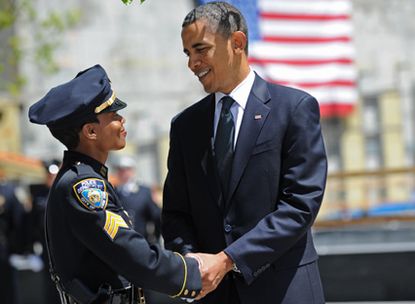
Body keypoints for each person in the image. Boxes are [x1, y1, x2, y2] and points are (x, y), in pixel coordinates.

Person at [161, 2, 328, 304]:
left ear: (237, 43)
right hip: (213, 295)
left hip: (284, 291)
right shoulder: (185, 126)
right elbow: (175, 213)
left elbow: (300, 205)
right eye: (188, 54)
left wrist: (227, 259)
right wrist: (192, 265)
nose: (192, 63)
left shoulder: (293, 109)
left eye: (201, 49)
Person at [28, 64, 206, 304]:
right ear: (91, 131)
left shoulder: (87, 177)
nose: (122, 120)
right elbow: (130, 252)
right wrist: (192, 273)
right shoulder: (82, 186)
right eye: (113, 116)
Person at [29, 159, 62, 304]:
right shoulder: (38, 194)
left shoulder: (63, 190)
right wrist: (31, 248)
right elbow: (30, 222)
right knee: (49, 283)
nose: (51, 178)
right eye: (49, 175)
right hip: (44, 245)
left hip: (62, 245)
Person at [114, 156, 161, 245]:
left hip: (142, 241)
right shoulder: (115, 192)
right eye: (120, 170)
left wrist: (156, 240)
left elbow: (156, 216)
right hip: (121, 244)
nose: (123, 173)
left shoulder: (144, 192)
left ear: (132, 171)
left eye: (126, 169)